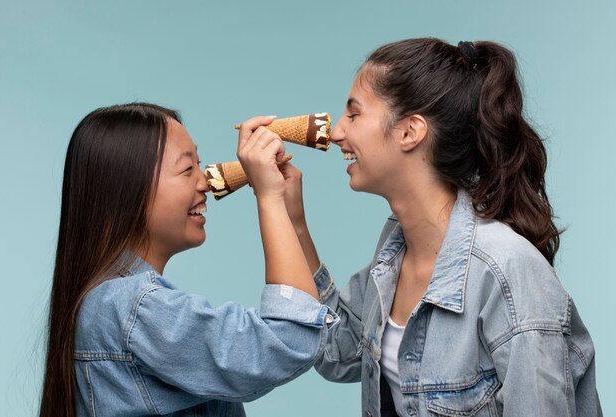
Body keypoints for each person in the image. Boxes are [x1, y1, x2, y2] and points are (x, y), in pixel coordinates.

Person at [284, 38, 602, 416]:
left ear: (410, 131)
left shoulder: (508, 273)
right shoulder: (395, 251)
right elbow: (337, 351)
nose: (336, 133)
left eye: (353, 115)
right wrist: (293, 222)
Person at [38, 103, 337, 417]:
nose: (205, 182)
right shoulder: (132, 309)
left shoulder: (112, 303)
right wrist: (269, 199)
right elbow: (292, 336)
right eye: (186, 169)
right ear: (128, 189)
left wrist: (292, 219)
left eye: (199, 164)